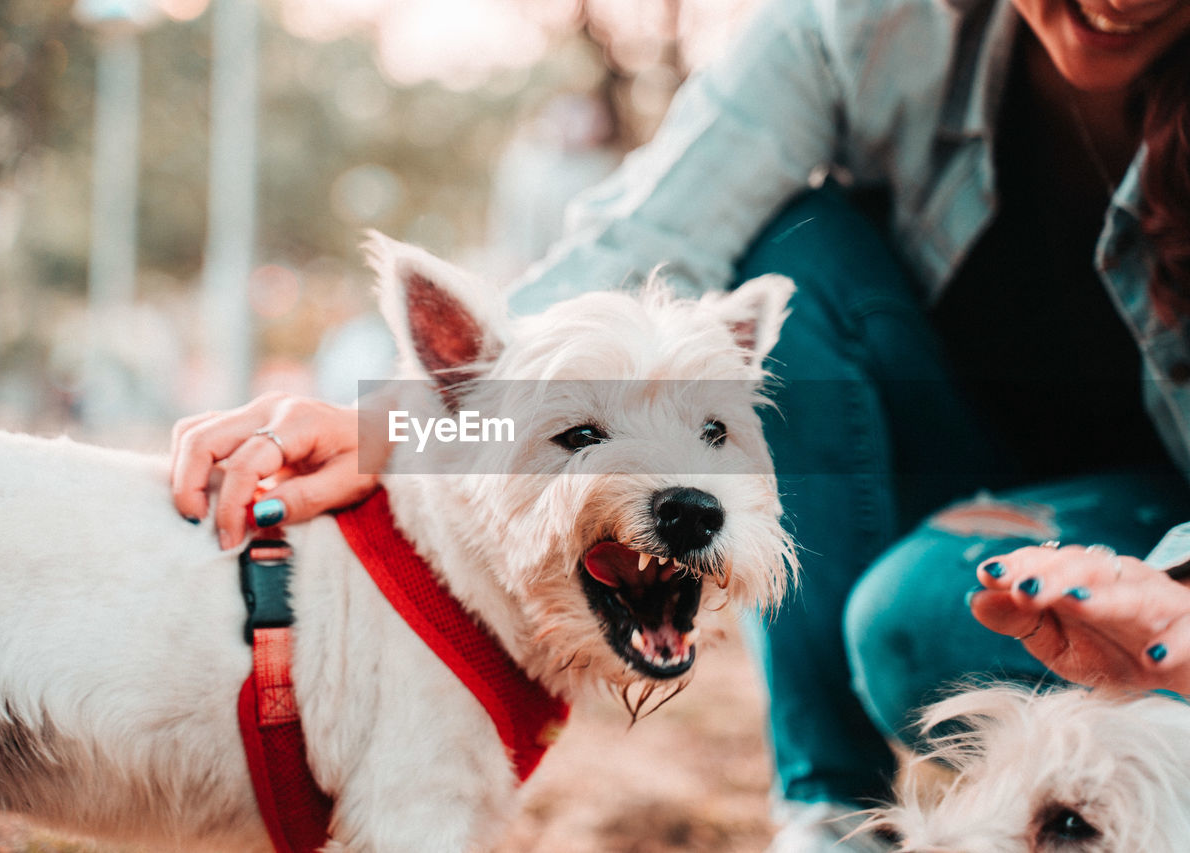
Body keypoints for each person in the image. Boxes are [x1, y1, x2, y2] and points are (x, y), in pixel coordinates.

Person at [169, 0, 1190, 849]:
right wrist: (400, 427)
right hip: (955, 478)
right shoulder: (862, 22)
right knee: (796, 248)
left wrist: (1179, 595)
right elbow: (641, 249)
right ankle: (826, 811)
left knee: (910, 626)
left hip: (1153, 527)